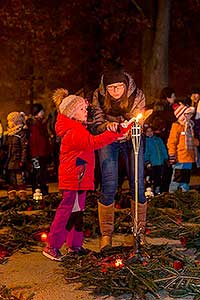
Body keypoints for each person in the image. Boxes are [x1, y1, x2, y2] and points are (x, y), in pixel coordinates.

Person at [42, 88, 131, 261]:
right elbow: (94, 142)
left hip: (79, 178)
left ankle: (74, 245)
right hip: (74, 179)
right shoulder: (74, 131)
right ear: (73, 113)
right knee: (67, 212)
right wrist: (116, 132)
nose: (86, 112)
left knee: (77, 212)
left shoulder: (78, 127)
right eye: (82, 109)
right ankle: (52, 246)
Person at [88, 62, 146, 251]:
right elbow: (96, 123)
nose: (115, 91)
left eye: (118, 86)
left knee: (137, 183)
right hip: (108, 140)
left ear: (125, 85)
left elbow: (139, 118)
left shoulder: (137, 94)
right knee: (109, 182)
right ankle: (106, 234)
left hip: (132, 140)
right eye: (111, 87)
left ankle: (139, 232)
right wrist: (107, 127)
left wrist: (129, 128)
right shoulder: (98, 96)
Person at [167, 102, 199, 192]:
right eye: (188, 114)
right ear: (182, 115)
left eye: (190, 114)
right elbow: (171, 142)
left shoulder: (190, 126)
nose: (190, 116)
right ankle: (171, 196)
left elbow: (191, 140)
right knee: (176, 179)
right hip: (180, 158)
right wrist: (172, 155)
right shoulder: (176, 126)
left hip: (189, 158)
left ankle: (185, 197)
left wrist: (196, 142)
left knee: (185, 180)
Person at [4, 112, 28, 200]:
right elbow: (7, 147)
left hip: (18, 160)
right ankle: (12, 194)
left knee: (19, 178)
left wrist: (23, 160)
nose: (8, 123)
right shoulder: (9, 134)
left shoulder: (21, 133)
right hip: (11, 160)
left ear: (15, 122)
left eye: (10, 121)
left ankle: (22, 195)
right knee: (11, 178)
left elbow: (24, 147)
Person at [28, 103, 50, 195]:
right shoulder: (35, 125)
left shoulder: (41, 123)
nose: (43, 113)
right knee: (38, 172)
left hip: (41, 153)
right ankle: (38, 189)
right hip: (37, 154)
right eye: (41, 111)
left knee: (41, 172)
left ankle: (41, 188)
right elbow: (36, 141)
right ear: (36, 113)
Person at [144, 126, 168, 195]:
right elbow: (146, 152)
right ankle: (150, 191)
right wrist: (147, 161)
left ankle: (158, 190)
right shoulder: (146, 141)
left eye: (151, 131)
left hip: (160, 162)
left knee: (160, 177)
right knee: (151, 178)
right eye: (147, 131)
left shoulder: (158, 139)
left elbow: (163, 148)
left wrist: (166, 158)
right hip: (152, 163)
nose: (149, 133)